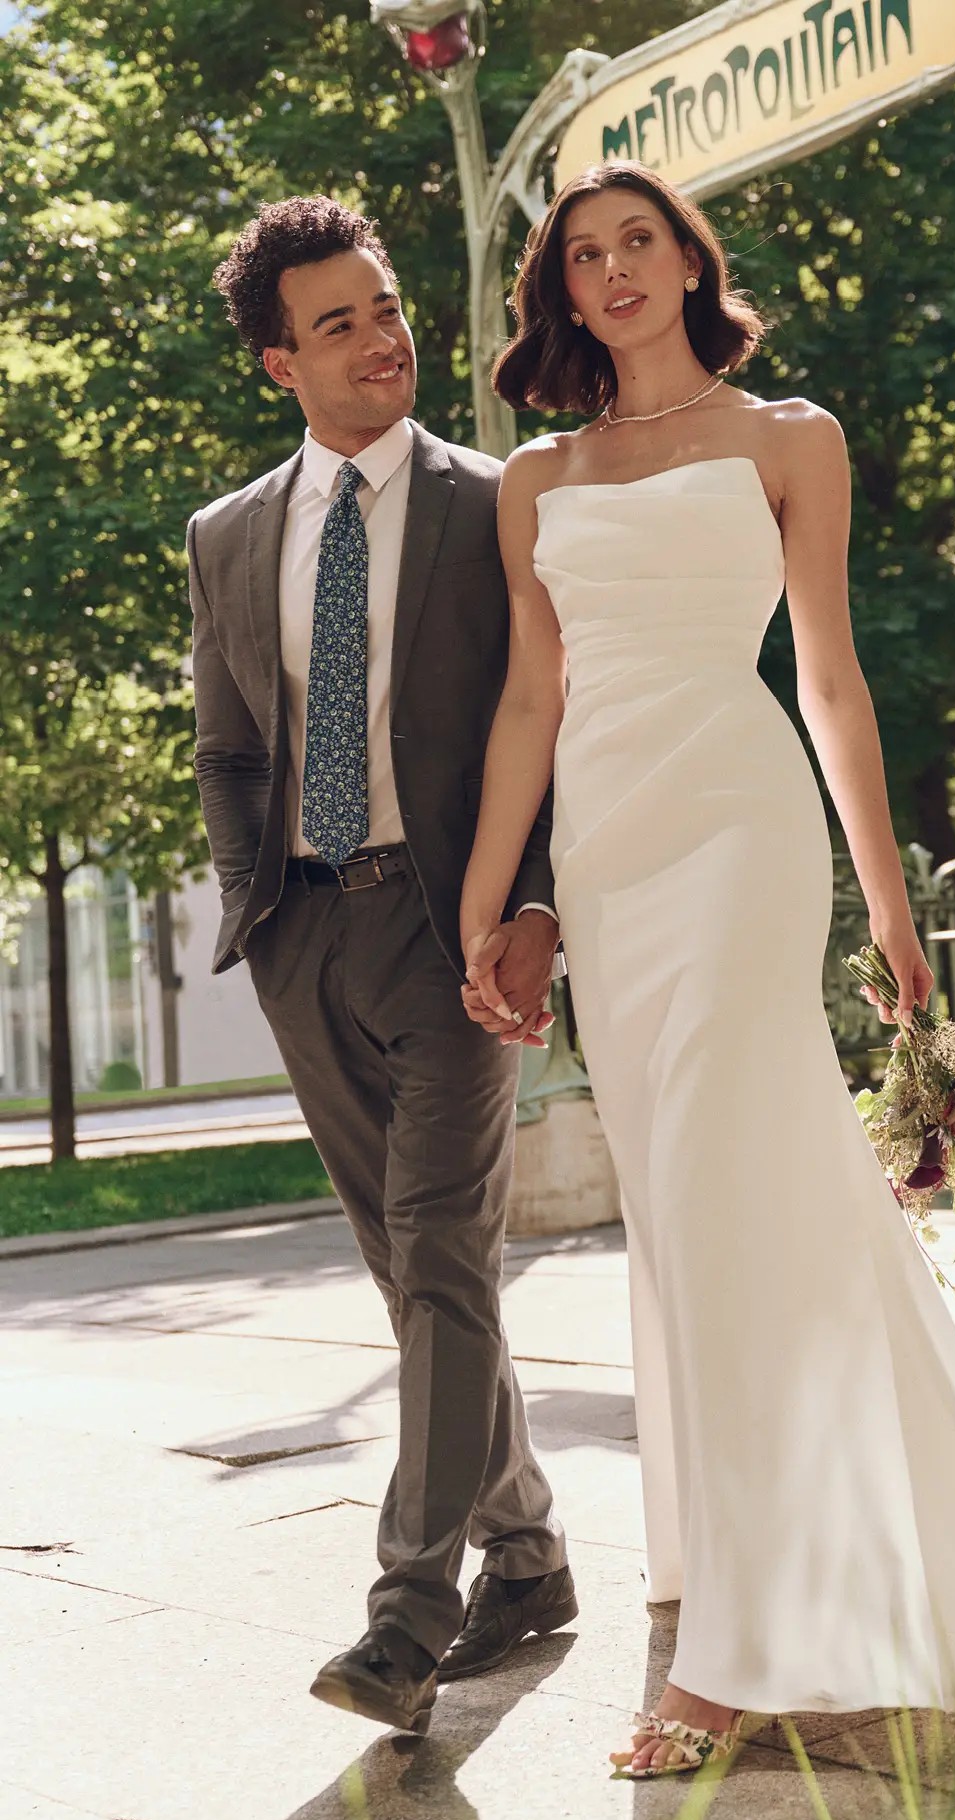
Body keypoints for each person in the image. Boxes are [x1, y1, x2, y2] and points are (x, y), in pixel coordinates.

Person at [459, 162, 955, 1780]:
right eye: (584, 253)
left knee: (742, 1192)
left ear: (693, 263)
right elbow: (532, 704)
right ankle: (729, 1561)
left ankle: (745, 1655)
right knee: (692, 1213)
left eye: (640, 243)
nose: (613, 271)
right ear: (563, 287)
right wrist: (489, 903)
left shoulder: (789, 438)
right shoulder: (533, 479)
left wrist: (890, 904)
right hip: (610, 858)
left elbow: (826, 675)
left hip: (744, 834)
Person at [189, 196, 575, 1738]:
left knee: (442, 1252)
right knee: (413, 1269)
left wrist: (532, 908)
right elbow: (227, 743)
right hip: (304, 931)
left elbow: (558, 723)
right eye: (338, 321)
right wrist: (254, 908)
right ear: (280, 359)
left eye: (389, 306)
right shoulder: (228, 535)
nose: (382, 337)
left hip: (453, 922)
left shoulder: (503, 504)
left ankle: (409, 1611)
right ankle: (531, 1550)